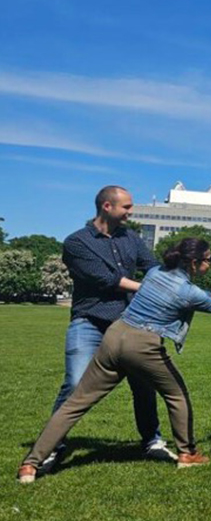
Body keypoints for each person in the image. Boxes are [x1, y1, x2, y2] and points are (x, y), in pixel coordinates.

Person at [17, 238, 211, 483]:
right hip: (143, 345)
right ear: (194, 263)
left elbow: (202, 296)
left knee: (74, 404)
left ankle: (30, 464)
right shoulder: (187, 291)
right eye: (209, 259)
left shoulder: (155, 272)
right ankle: (187, 454)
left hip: (114, 335)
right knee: (177, 396)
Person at [43, 185, 169, 473]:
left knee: (144, 383)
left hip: (129, 323)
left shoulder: (132, 238)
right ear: (107, 207)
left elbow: (152, 267)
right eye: (126, 207)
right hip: (90, 322)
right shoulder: (77, 242)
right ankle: (52, 447)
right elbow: (107, 280)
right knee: (75, 383)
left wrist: (173, 281)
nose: (131, 212)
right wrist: (152, 290)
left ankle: (152, 441)